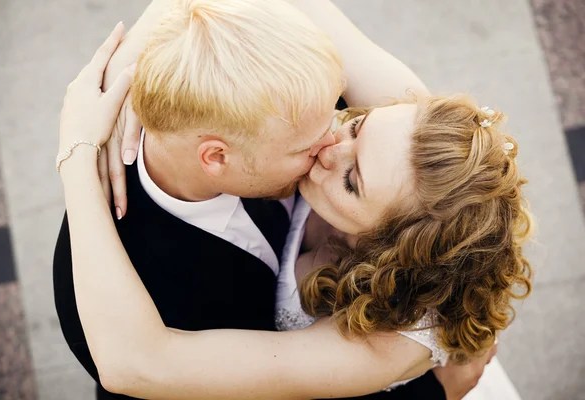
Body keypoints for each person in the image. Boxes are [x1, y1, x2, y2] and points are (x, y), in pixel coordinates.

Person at [55, 4, 532, 400]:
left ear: (390, 244)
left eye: (351, 180)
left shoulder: (394, 337)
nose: (328, 141)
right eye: (358, 125)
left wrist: (74, 151)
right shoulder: (415, 150)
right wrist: (129, 71)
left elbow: (139, 364)